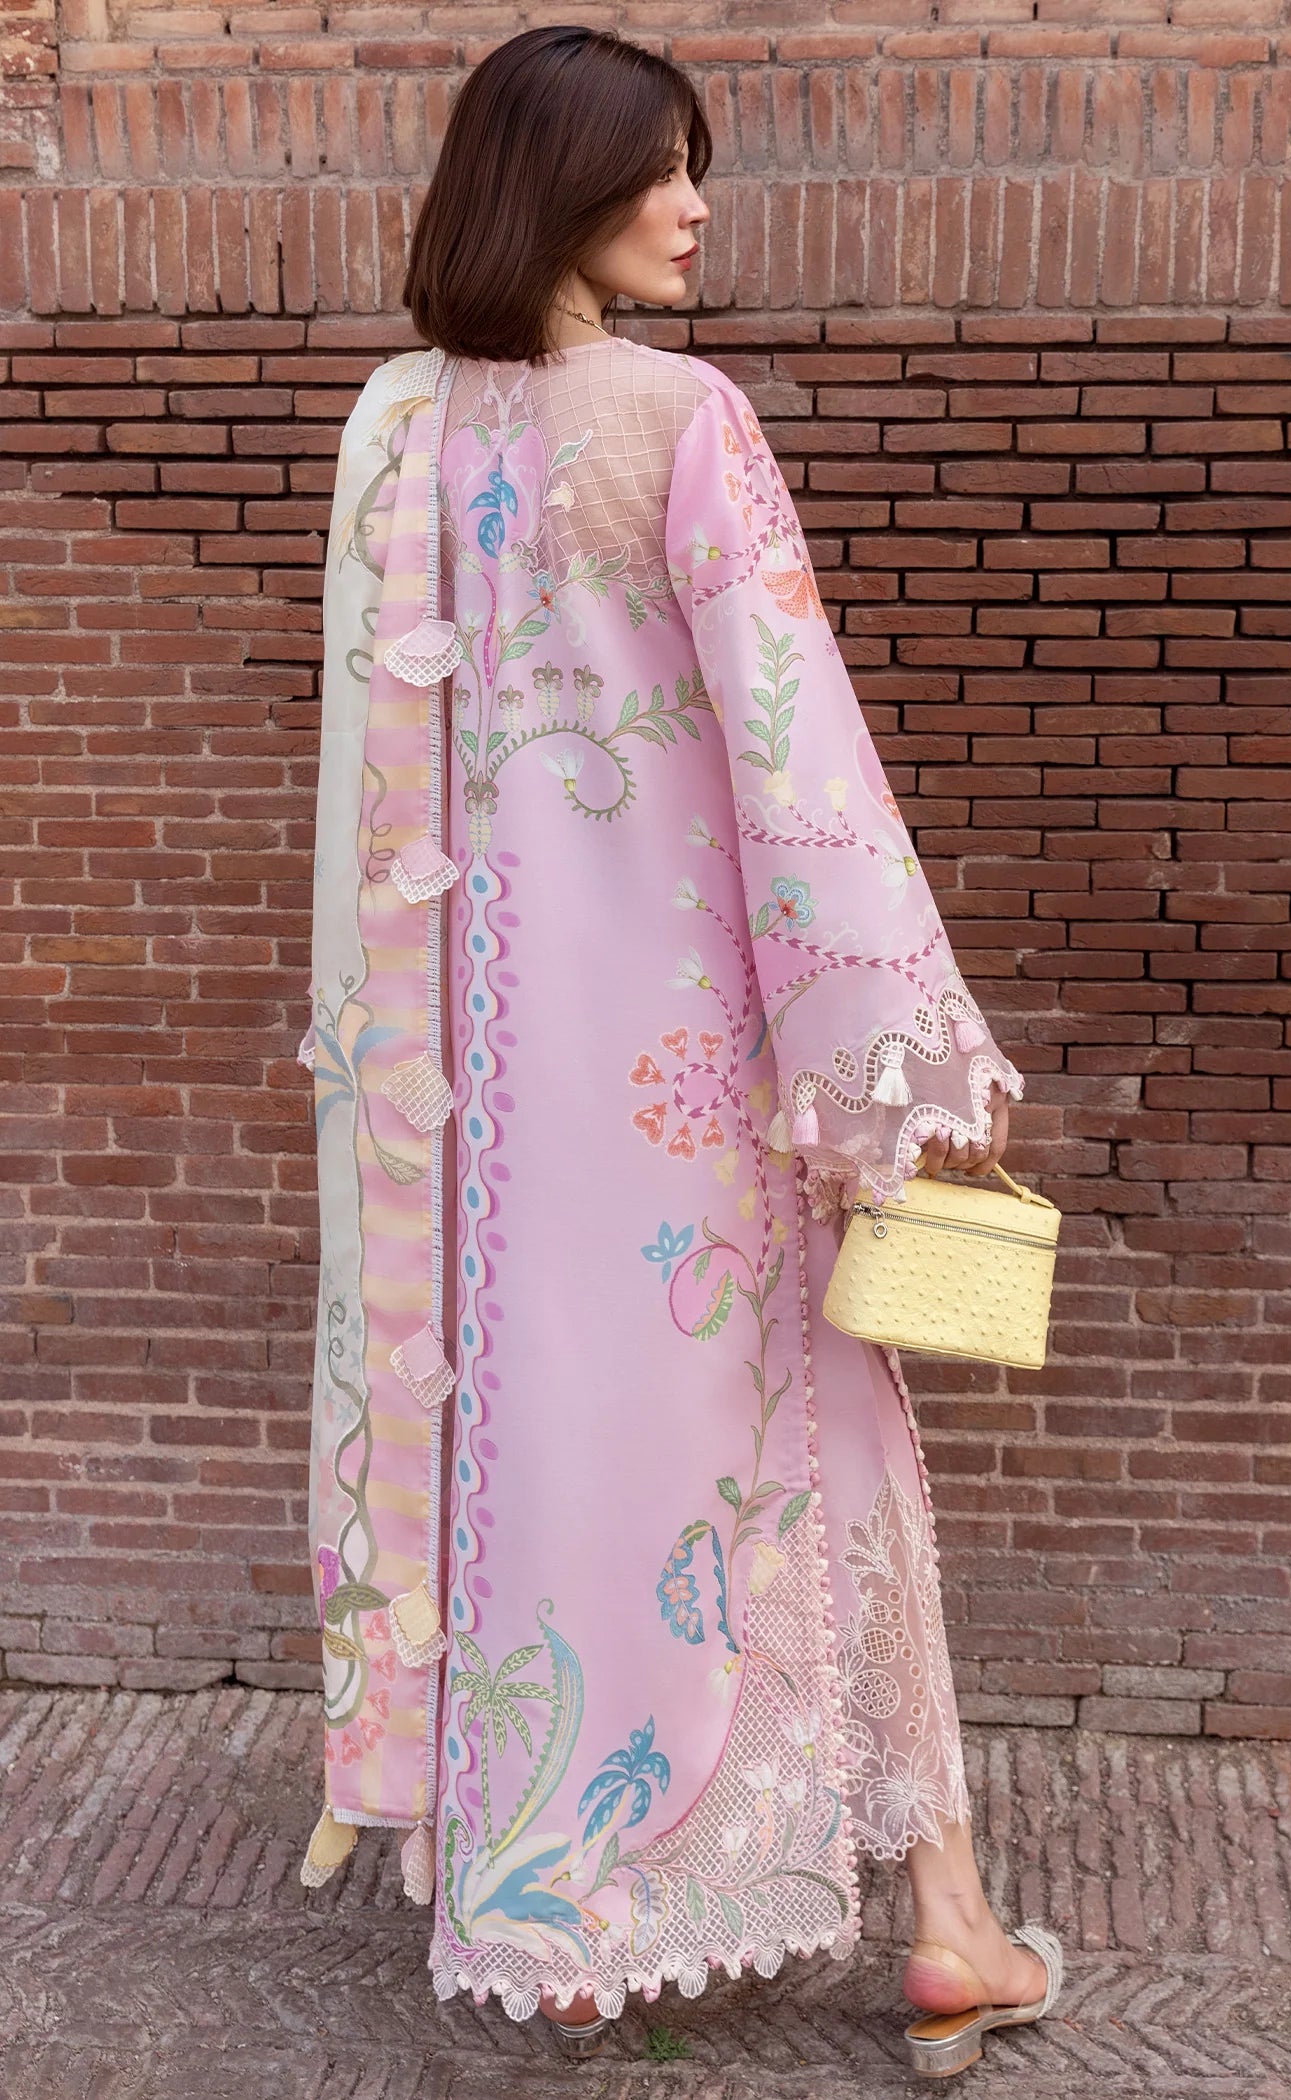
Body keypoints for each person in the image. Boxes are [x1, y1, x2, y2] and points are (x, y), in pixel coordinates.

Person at [298, 23, 1061, 2076]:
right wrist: (888, 1057)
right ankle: (949, 1921)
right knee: (825, 1443)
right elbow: (796, 757)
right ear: (555, 184)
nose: (696, 205)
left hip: (463, 1112)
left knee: (529, 1447)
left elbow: (377, 790)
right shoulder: (685, 418)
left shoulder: (393, 432)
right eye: (659, 168)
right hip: (692, 1078)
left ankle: (544, 1891)